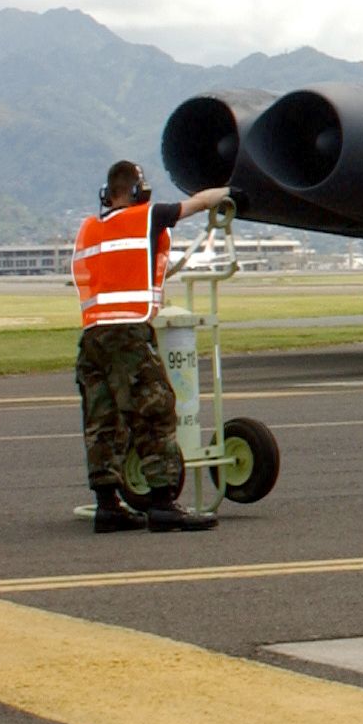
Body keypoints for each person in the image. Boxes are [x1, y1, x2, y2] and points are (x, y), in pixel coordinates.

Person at [71, 159, 230, 532]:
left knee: (102, 421)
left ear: (106, 194)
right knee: (155, 410)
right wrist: (229, 194)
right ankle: (162, 503)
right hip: (127, 334)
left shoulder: (89, 229)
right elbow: (199, 203)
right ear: (139, 191)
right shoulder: (146, 217)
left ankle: (107, 506)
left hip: (93, 336)